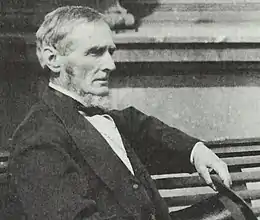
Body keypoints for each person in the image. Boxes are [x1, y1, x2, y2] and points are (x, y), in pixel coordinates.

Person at [9, 6, 232, 220]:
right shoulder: (38, 140)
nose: (111, 64)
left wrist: (196, 151)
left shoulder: (105, 119)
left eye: (110, 52)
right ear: (52, 59)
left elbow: (142, 127)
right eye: (95, 52)